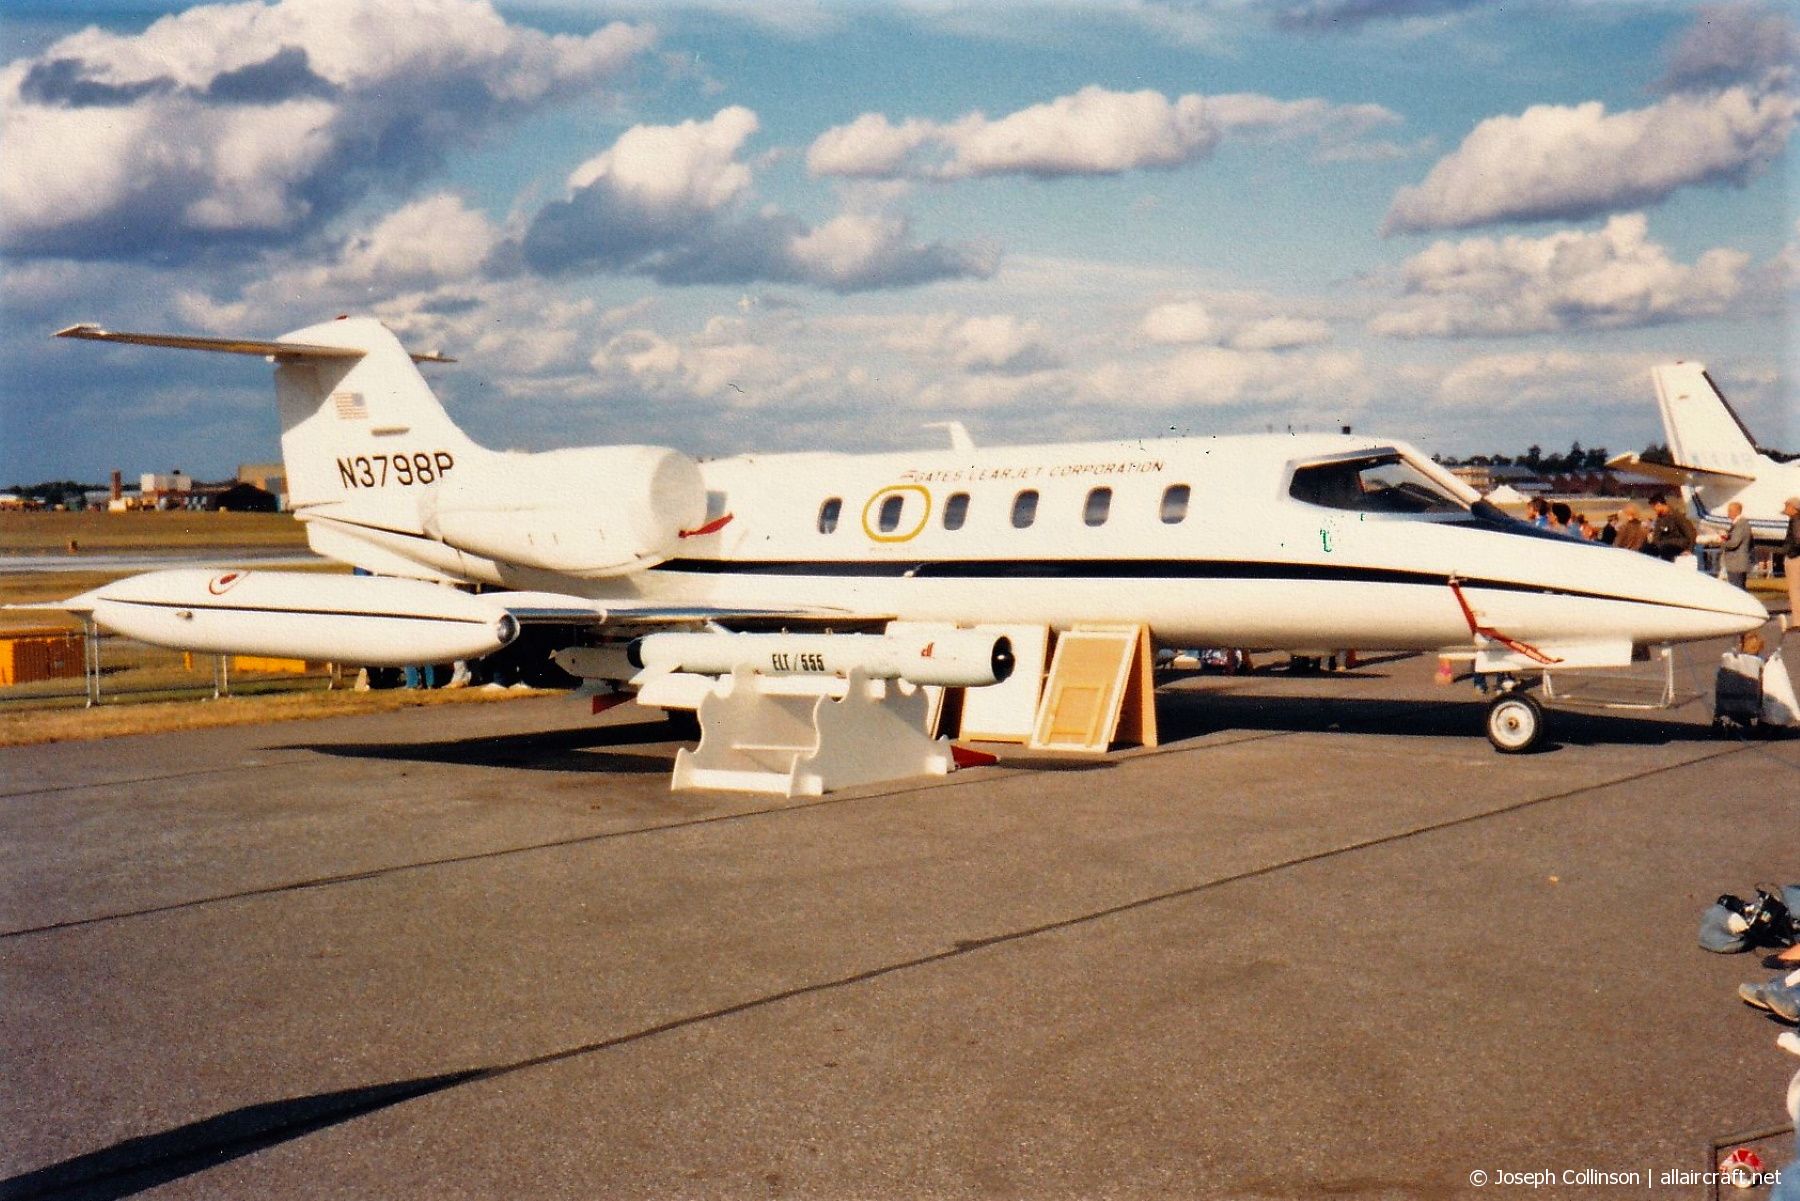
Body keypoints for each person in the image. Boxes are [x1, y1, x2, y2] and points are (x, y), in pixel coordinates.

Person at [1644, 492, 1696, 561]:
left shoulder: (1677, 516)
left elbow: (1690, 533)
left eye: (1654, 507)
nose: (1654, 510)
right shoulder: (1660, 519)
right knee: (1646, 549)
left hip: (1677, 546)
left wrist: (1689, 549)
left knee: (1666, 549)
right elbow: (1657, 536)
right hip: (1664, 546)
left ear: (1659, 504)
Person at [1719, 500, 1753, 590]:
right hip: (1735, 564)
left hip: (1737, 564)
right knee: (1738, 588)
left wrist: (1722, 542)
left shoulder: (1741, 524)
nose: (1728, 514)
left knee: (1737, 589)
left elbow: (1734, 543)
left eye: (1730, 511)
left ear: (1737, 511)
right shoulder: (1739, 524)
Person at [1784, 496, 1800, 633]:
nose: (1785, 509)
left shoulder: (1795, 521)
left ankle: (1797, 622)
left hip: (1795, 558)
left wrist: (1791, 552)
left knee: (1795, 590)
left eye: (1787, 506)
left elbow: (1797, 539)